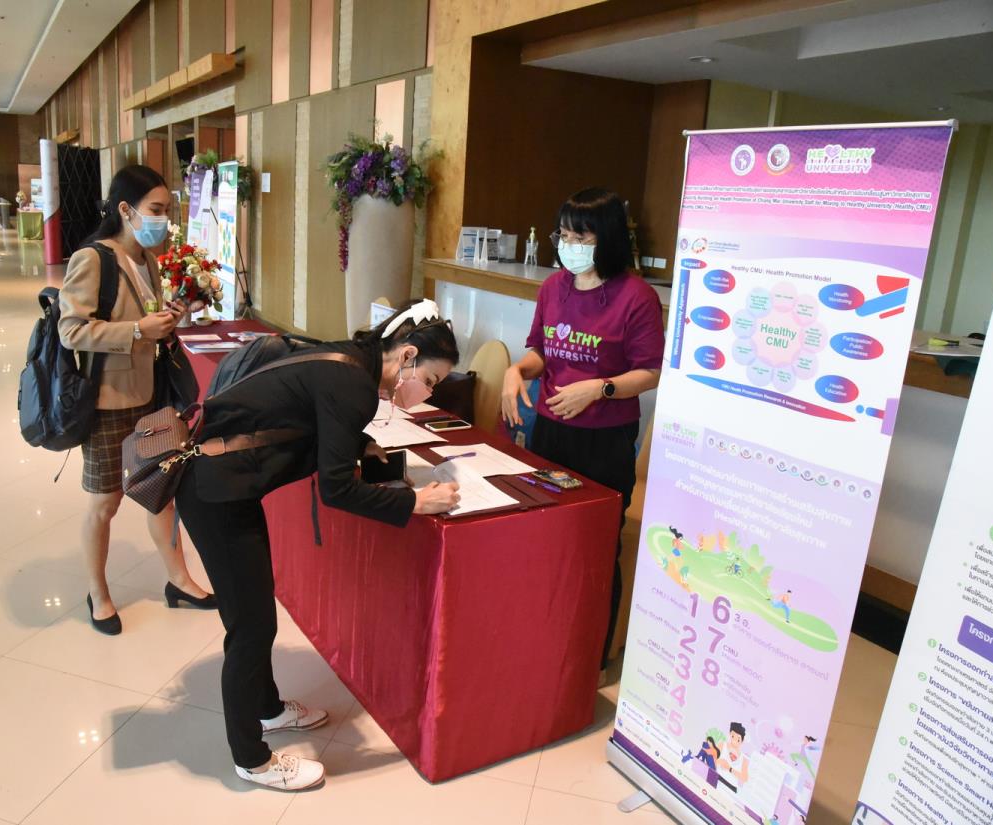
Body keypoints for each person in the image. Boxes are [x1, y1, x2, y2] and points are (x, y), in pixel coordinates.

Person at [176, 299, 463, 791]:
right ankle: (251, 759)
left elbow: (312, 416)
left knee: (256, 616)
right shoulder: (354, 383)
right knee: (250, 629)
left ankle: (267, 710)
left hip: (227, 485)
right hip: (215, 492)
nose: (427, 392)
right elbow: (337, 490)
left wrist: (359, 445)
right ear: (407, 356)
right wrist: (415, 501)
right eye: (431, 380)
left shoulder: (351, 360)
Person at [501, 188, 665, 670]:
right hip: (551, 435)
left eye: (580, 237)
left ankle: (589, 660)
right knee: (545, 538)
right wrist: (516, 370)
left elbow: (650, 372)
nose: (569, 246)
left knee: (595, 549)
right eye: (564, 236)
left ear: (606, 238)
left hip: (604, 441)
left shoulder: (636, 297)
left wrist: (600, 389)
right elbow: (542, 352)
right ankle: (542, 640)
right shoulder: (554, 288)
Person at [58, 165, 215, 636]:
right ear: (125, 209)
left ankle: (179, 580)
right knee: (105, 504)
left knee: (161, 494)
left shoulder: (148, 260)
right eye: (156, 209)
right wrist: (136, 331)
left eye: (166, 210)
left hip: (151, 396)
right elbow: (71, 331)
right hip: (108, 401)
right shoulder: (93, 258)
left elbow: (149, 322)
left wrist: (172, 318)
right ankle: (98, 592)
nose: (163, 220)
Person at [717, 722, 750, 792]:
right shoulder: (722, 745)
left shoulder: (744, 759)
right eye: (733, 736)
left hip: (731, 788)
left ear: (742, 741)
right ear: (730, 734)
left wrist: (730, 769)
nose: (734, 741)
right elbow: (711, 759)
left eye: (738, 739)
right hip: (717, 778)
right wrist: (720, 761)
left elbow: (745, 778)